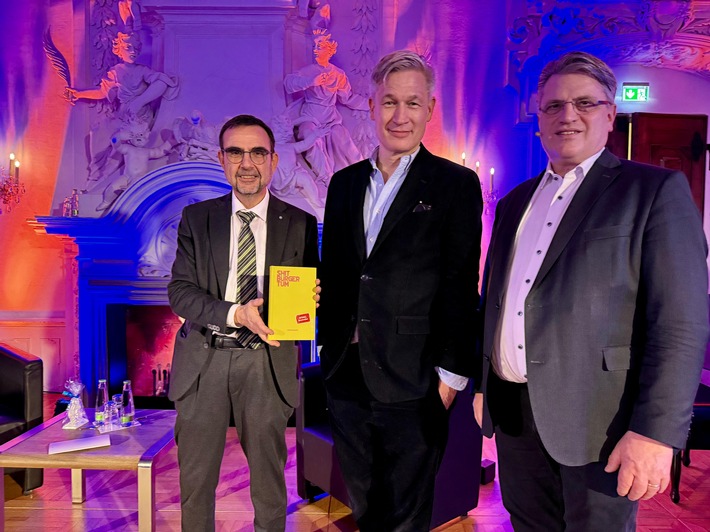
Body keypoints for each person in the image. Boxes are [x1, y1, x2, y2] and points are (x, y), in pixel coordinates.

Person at [473, 51, 709, 531]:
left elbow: (680, 323)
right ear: (539, 119)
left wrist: (655, 433)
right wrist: (483, 384)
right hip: (515, 417)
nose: (568, 115)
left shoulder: (653, 191)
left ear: (609, 113)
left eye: (584, 103)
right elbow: (494, 301)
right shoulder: (515, 202)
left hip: (601, 424)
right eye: (553, 106)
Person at [318, 50, 483, 530]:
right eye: (389, 102)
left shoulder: (456, 184)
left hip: (416, 377)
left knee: (407, 516)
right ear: (372, 106)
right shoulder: (343, 184)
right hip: (346, 372)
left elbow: (460, 284)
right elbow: (338, 271)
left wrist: (451, 377)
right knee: (365, 508)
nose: (400, 116)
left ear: (430, 109)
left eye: (412, 103)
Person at [168, 114, 320, 531]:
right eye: (236, 152)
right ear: (221, 159)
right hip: (204, 361)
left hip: (266, 362)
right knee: (196, 485)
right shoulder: (197, 218)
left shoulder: (301, 223)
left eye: (257, 153)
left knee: (269, 488)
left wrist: (314, 298)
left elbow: (308, 292)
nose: (247, 163)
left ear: (273, 160)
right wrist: (237, 313)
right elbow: (180, 292)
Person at [283, 30, 369, 185]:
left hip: (330, 118)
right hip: (310, 117)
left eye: (320, 47)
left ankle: (365, 173)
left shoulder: (338, 74)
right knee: (310, 137)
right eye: (315, 46)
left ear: (329, 50)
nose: (315, 50)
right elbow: (289, 84)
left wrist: (371, 105)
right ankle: (326, 177)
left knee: (343, 141)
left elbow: (348, 98)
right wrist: (310, 82)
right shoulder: (308, 71)